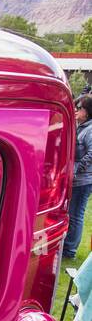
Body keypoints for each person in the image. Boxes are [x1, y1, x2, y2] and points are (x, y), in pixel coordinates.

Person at [62, 95, 92, 260]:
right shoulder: (81, 127)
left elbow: (91, 155)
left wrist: (76, 170)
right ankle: (67, 247)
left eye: (79, 108)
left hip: (83, 180)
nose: (75, 110)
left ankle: (70, 251)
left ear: (88, 111)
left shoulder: (90, 129)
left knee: (76, 215)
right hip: (77, 178)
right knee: (71, 214)